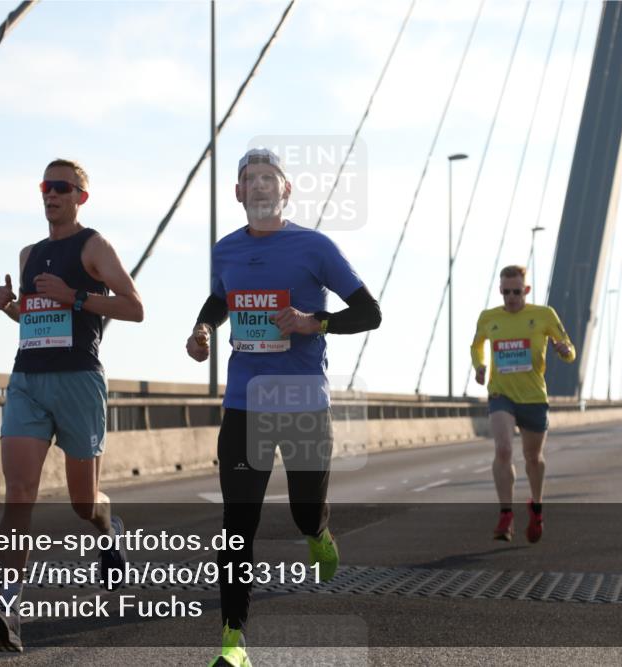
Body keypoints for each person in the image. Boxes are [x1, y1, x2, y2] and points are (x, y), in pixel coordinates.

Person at [186, 147, 381, 667]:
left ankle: (317, 532)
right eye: (250, 178)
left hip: (303, 402)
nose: (259, 185)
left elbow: (370, 312)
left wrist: (315, 322)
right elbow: (221, 299)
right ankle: (233, 642)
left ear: (286, 190)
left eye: (269, 177)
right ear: (238, 192)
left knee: (303, 509)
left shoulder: (314, 247)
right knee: (237, 522)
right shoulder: (225, 250)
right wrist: (202, 329)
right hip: (244, 402)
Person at [0, 159, 144, 652]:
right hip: (27, 380)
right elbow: (38, 320)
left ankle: (109, 529)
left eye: (61, 187)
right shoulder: (29, 254)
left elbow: (134, 307)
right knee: (18, 493)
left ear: (80, 197)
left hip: (78, 382)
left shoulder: (94, 246)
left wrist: (75, 296)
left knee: (83, 503)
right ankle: (9, 608)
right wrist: (10, 306)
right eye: (45, 186)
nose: (50, 194)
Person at [470, 265, 575, 543]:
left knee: (533, 458)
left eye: (516, 292)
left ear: (526, 290)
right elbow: (476, 346)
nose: (511, 298)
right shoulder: (489, 317)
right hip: (500, 394)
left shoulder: (544, 315)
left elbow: (568, 348)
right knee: (503, 450)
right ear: (500, 290)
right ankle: (506, 514)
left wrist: (564, 351)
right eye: (505, 292)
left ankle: (536, 507)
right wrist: (479, 366)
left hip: (533, 397)